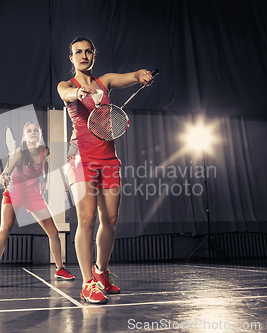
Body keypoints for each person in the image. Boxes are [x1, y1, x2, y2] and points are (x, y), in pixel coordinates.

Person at [57, 37, 154, 303]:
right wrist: (76, 94)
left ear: (94, 55)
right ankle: (88, 283)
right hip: (81, 159)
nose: (84, 55)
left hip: (108, 158)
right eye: (78, 52)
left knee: (110, 220)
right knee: (86, 220)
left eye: (88, 51)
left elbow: (132, 76)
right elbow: (65, 94)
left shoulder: (105, 81)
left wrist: (141, 75)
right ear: (72, 58)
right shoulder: (67, 85)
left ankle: (101, 273)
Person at [0, 122, 74, 287]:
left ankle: (60, 268)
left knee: (54, 232)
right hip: (14, 193)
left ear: (39, 134)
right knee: (5, 228)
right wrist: (3, 178)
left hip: (34, 195)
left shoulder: (45, 150)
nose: (33, 133)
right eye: (29, 131)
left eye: (35, 131)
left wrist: (46, 179)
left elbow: (45, 164)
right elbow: (3, 174)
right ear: (24, 137)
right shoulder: (18, 154)